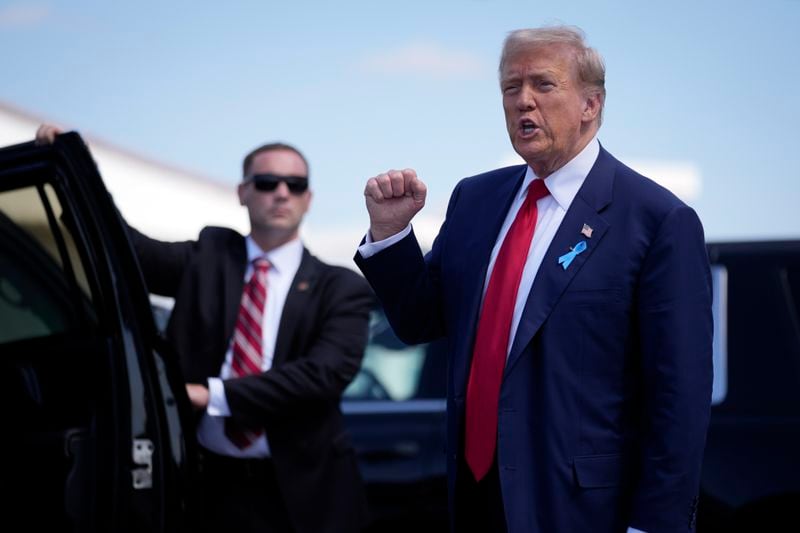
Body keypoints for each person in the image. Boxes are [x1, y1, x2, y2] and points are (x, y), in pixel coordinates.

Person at [354, 25, 712, 533]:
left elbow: (680, 394)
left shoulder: (656, 220)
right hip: (476, 497)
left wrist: (657, 523)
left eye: (544, 85)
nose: (523, 102)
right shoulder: (475, 199)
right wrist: (391, 235)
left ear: (591, 103)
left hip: (583, 509)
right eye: (510, 87)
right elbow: (419, 321)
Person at [36, 125, 373, 533]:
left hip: (305, 494)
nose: (282, 193)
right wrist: (77, 170)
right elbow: (127, 252)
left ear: (309, 198)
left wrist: (209, 395)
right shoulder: (209, 258)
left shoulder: (341, 287)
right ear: (243, 192)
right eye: (267, 182)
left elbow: (323, 375)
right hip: (209, 486)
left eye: (295, 184)